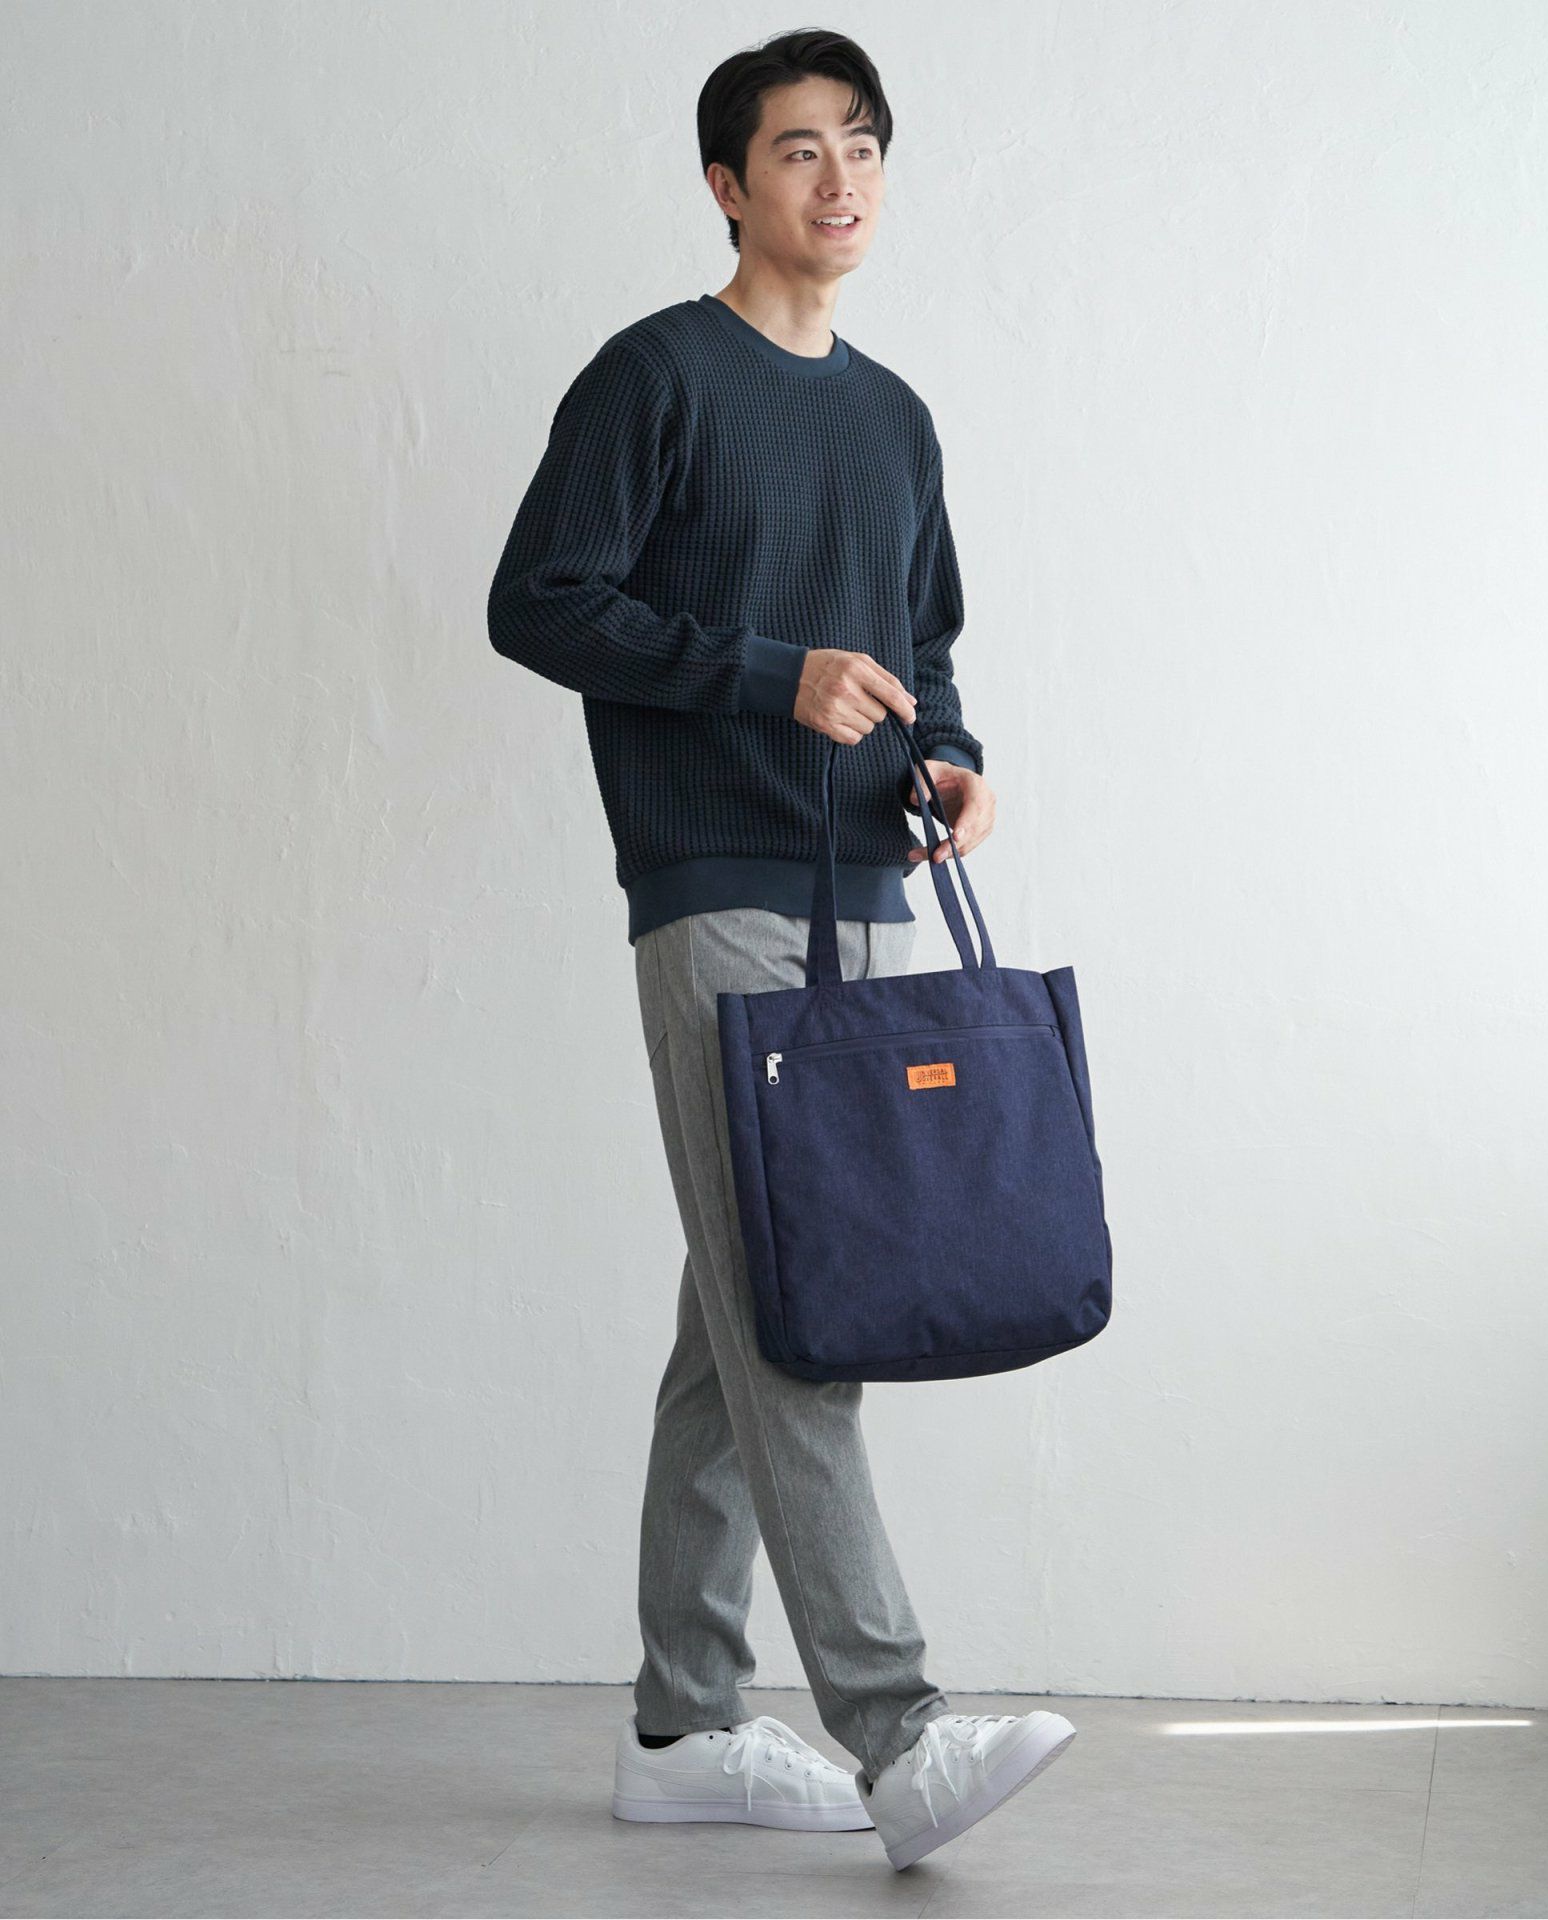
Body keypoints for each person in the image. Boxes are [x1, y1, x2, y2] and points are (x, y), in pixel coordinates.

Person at [486, 27, 1073, 1872]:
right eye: (801, 149)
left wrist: (951, 760)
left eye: (864, 146)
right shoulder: (656, 376)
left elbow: (925, 645)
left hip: (867, 896)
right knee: (798, 1316)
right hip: (715, 880)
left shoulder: (893, 419)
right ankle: (897, 1733)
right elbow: (538, 600)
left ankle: (682, 1723)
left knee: (740, 1313)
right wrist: (766, 676)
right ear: (727, 185)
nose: (841, 178)